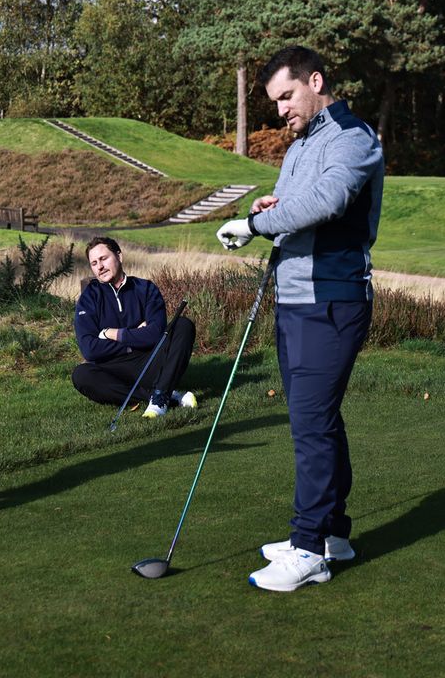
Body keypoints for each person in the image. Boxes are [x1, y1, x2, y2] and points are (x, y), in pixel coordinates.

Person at [217, 46, 384, 592]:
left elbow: (328, 202)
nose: (281, 110)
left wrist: (254, 224)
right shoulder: (301, 145)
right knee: (319, 421)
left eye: (287, 96)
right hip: (294, 300)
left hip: (330, 302)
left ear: (315, 81)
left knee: (311, 426)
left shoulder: (352, 137)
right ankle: (333, 533)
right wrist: (271, 208)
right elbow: (297, 207)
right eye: (274, 102)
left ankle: (308, 550)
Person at [72, 237, 198, 418]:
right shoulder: (88, 299)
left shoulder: (146, 289)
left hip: (149, 360)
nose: (99, 266)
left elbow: (155, 334)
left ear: (119, 256)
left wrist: (109, 333)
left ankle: (160, 395)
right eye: (94, 263)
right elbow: (89, 350)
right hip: (113, 367)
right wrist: (136, 336)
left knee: (183, 325)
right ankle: (163, 396)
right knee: (81, 375)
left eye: (103, 259)